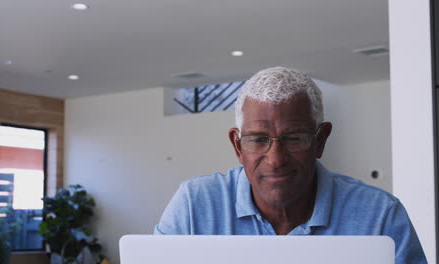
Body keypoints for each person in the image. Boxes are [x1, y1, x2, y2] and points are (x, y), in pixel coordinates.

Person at [154, 67, 426, 263]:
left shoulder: (379, 216)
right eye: (259, 139)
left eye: (294, 139)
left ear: (320, 140)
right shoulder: (193, 206)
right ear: (237, 146)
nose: (275, 159)